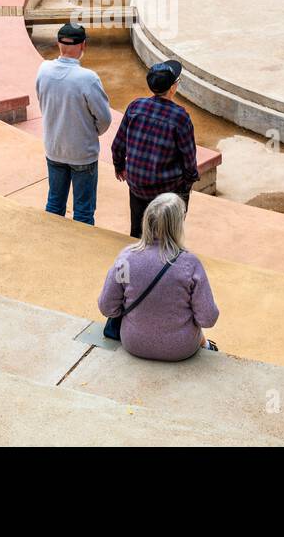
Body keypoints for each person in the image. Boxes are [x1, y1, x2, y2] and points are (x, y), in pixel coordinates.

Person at [97, 192, 219, 360]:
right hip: (181, 347)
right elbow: (208, 318)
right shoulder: (190, 264)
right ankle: (207, 346)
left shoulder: (126, 259)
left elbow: (106, 307)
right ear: (178, 225)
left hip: (134, 342)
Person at [112, 59, 200, 238]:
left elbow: (118, 145)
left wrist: (119, 166)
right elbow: (189, 159)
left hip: (136, 184)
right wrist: (189, 182)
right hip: (165, 190)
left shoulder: (135, 107)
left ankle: (138, 246)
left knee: (138, 231)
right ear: (173, 87)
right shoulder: (180, 117)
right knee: (166, 236)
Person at [34, 22, 111, 225]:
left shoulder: (43, 70)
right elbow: (104, 119)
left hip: (54, 148)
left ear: (58, 43)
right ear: (83, 45)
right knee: (83, 212)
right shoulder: (88, 79)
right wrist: (88, 132)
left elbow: (43, 102)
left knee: (54, 204)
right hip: (82, 154)